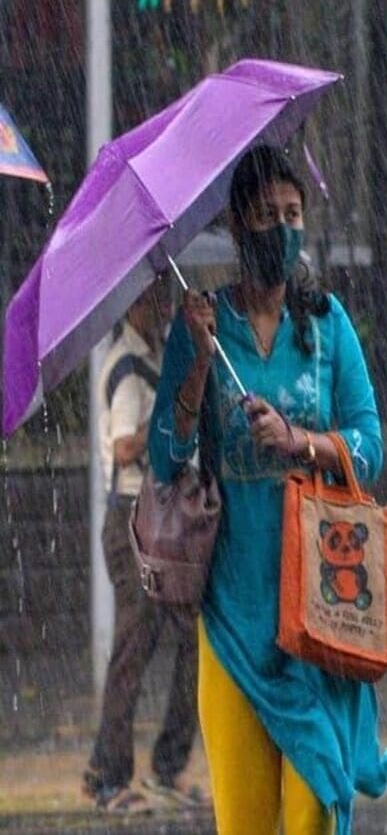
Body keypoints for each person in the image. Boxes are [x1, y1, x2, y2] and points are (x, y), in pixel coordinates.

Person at [148, 146, 387, 835]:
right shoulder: (201, 327)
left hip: (319, 610)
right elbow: (167, 463)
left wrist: (303, 443)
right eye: (265, 216)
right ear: (235, 226)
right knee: (246, 823)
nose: (282, 229)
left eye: (292, 214)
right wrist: (194, 367)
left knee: (314, 810)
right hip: (232, 618)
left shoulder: (328, 324)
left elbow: (370, 443)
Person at [82, 279, 206, 814]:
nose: (161, 308)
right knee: (134, 647)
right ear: (131, 303)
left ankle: (166, 765)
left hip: (161, 520)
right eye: (153, 299)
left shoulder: (155, 355)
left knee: (193, 638)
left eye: (164, 298)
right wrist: (168, 426)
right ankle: (107, 775)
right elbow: (124, 443)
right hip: (132, 520)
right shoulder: (125, 364)